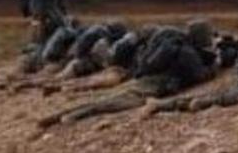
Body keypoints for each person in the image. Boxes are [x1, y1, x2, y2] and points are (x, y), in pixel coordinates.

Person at [37, 20, 220, 128]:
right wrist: (214, 67)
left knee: (103, 97)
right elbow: (199, 76)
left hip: (143, 78)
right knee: (111, 104)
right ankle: (73, 116)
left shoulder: (174, 44)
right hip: (152, 87)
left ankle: (57, 116)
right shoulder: (188, 52)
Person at [18, 0, 69, 73]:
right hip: (44, 17)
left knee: (56, 40)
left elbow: (60, 0)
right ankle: (36, 64)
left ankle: (51, 62)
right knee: (41, 42)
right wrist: (37, 19)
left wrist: (65, 15)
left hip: (56, 16)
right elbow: (36, 2)